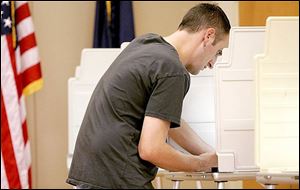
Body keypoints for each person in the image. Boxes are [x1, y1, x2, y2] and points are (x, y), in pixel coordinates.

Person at [66, 2, 231, 189]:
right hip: (116, 177)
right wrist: (200, 164)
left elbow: (166, 120)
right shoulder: (172, 70)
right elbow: (151, 149)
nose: (212, 63)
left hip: (92, 173)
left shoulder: (145, 44)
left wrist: (212, 155)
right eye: (218, 52)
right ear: (208, 36)